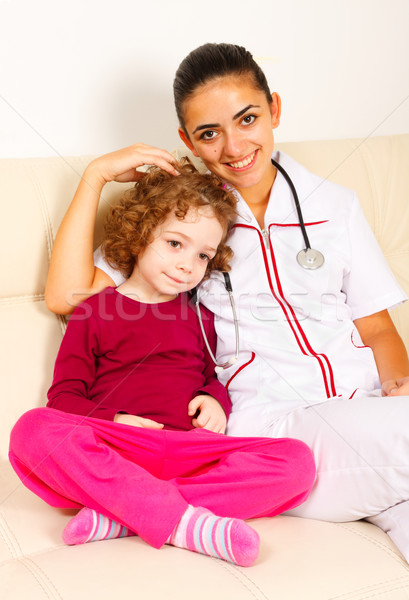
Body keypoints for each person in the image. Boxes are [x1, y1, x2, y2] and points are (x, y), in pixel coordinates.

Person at [42, 42, 409, 560]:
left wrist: (399, 387)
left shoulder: (335, 205)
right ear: (186, 140)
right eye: (208, 134)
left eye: (248, 118)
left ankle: (128, 511)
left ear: (274, 109)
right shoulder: (181, 221)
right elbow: (65, 295)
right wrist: (95, 175)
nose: (234, 147)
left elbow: (378, 331)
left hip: (368, 414)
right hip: (277, 428)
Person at [9, 162, 316, 568]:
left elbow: (209, 376)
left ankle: (125, 514)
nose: (189, 264)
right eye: (175, 244)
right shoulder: (94, 311)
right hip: (118, 448)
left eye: (203, 254)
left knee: (296, 462)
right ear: (140, 237)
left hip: (190, 452)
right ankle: (189, 524)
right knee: (32, 431)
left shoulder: (200, 316)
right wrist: (116, 419)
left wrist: (214, 400)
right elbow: (64, 397)